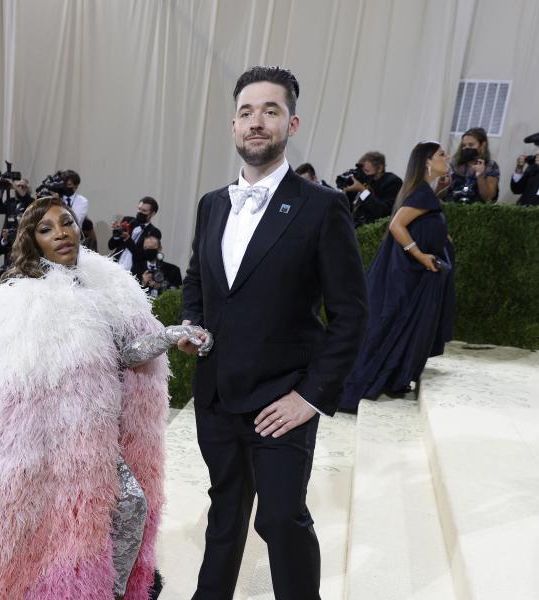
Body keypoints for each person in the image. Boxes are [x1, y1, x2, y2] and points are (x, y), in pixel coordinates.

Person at [0, 197, 190, 599]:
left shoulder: (107, 284)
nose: (61, 233)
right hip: (44, 439)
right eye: (46, 229)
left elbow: (126, 350)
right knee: (39, 529)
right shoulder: (19, 299)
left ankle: (111, 589)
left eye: (66, 223)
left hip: (95, 432)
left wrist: (171, 335)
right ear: (33, 241)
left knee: (130, 505)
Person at [178, 66, 368, 600]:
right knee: (224, 509)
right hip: (216, 394)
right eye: (245, 112)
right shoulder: (212, 204)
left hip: (283, 398)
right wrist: (193, 324)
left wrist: (310, 397)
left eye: (270, 110)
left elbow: (351, 316)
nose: (255, 122)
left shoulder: (324, 206)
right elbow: (198, 281)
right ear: (233, 126)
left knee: (281, 520)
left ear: (292, 122)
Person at [341, 142, 457, 411]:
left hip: (413, 275)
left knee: (397, 324)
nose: (447, 157)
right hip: (411, 274)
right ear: (426, 161)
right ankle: (379, 377)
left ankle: (392, 376)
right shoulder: (421, 194)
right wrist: (419, 255)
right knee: (392, 323)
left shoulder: (422, 191)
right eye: (441, 154)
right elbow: (397, 225)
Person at [342, 151, 403, 226]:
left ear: (380, 168)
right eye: (362, 171)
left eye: (367, 171)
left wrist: (362, 190)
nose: (363, 174)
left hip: (372, 230)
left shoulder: (392, 182)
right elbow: (348, 208)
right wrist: (346, 191)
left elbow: (382, 211)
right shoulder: (362, 180)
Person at [444, 127, 500, 203]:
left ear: (482, 145)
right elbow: (441, 195)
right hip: (452, 208)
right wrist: (442, 185)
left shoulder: (491, 166)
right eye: (464, 145)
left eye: (471, 145)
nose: (466, 148)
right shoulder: (454, 164)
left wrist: (480, 176)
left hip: (476, 211)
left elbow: (488, 198)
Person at [109, 196, 161, 272]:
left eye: (144, 211)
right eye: (139, 209)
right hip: (114, 266)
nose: (140, 212)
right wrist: (116, 235)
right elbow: (111, 246)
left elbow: (141, 256)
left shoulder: (154, 232)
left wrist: (127, 238)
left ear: (152, 214)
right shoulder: (128, 221)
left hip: (133, 273)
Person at [131, 233, 182, 298]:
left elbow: (178, 293)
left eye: (151, 248)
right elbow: (131, 293)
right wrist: (143, 283)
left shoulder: (173, 270)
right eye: (145, 248)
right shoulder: (136, 268)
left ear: (159, 248)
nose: (148, 250)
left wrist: (162, 285)